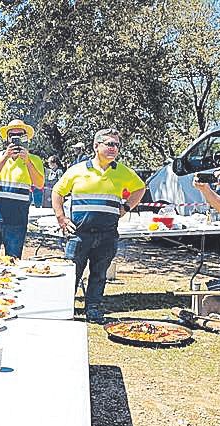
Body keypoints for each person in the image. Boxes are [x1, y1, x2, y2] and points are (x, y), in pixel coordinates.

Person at [52, 128, 145, 324]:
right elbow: (57, 192)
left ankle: (93, 309)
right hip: (79, 234)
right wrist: (61, 218)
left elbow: (140, 188)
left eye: (117, 145)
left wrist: (126, 207)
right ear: (96, 146)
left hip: (107, 234)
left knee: (99, 275)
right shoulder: (77, 170)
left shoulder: (123, 172)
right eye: (109, 144)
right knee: (71, 275)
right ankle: (63, 309)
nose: (114, 148)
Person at [0, 119, 45, 258]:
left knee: (14, 264)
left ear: (25, 138)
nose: (15, 139)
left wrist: (27, 161)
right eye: (12, 135)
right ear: (7, 138)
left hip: (17, 221)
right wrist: (5, 157)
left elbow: (39, 184)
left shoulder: (34, 160)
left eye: (20, 135)